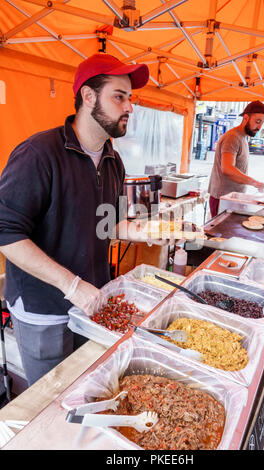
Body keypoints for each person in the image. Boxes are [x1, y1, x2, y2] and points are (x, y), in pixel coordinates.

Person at [0, 54, 149, 386]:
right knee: (51, 398)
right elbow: (6, 231)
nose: (129, 108)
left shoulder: (114, 161)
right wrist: (71, 285)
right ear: (88, 96)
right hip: (44, 309)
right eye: (119, 96)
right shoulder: (39, 153)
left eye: (130, 98)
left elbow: (108, 224)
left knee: (89, 386)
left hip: (93, 304)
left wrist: (150, 231)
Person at [208, 100, 264, 218]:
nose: (259, 127)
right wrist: (255, 183)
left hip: (232, 198)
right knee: (220, 235)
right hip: (223, 199)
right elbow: (227, 169)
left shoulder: (243, 137)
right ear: (246, 118)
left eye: (262, 122)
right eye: (257, 121)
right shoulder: (233, 137)